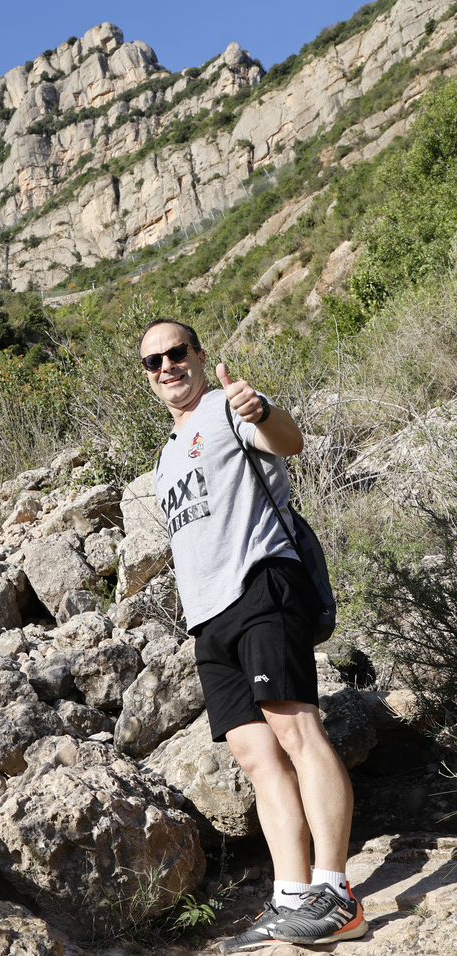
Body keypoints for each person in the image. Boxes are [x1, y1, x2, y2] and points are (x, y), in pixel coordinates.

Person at [138, 318, 367, 953]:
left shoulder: (227, 406)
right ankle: (292, 896)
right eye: (153, 362)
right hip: (207, 618)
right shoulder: (163, 457)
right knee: (255, 755)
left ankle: (336, 892)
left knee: (296, 729)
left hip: (262, 584)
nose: (166, 367)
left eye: (176, 353)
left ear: (198, 355)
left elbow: (288, 441)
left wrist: (260, 407)